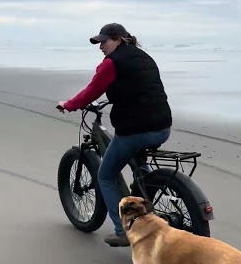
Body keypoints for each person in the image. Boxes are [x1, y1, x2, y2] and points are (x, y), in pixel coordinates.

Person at [56, 23, 173, 247]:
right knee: (137, 163)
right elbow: (142, 87)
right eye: (99, 42)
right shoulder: (143, 56)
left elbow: (92, 91)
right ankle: (146, 189)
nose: (101, 46)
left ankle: (122, 231)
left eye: (104, 41)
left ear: (119, 39)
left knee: (105, 175)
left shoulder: (111, 63)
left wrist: (69, 105)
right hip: (162, 127)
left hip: (136, 131)